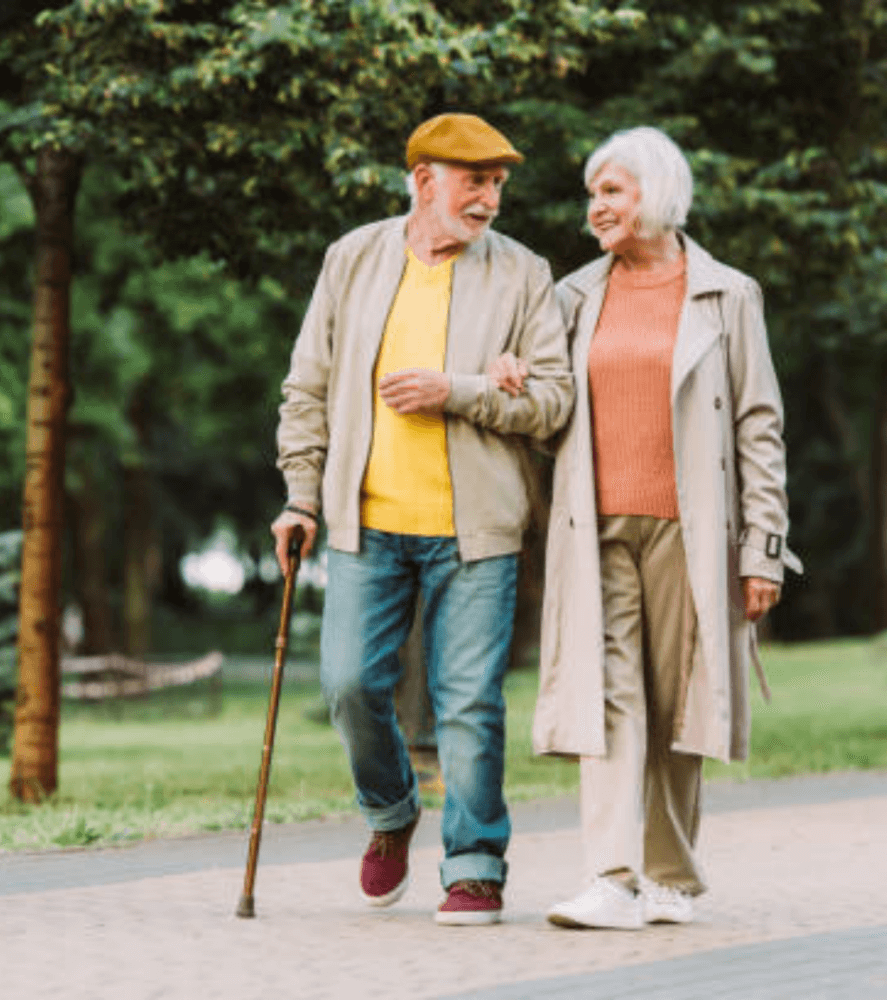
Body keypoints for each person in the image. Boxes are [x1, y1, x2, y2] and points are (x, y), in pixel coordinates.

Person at [492, 126, 801, 930]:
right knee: (609, 698)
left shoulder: (729, 295)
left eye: (612, 192)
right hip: (594, 528)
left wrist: (762, 549)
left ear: (656, 193)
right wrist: (513, 378)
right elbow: (549, 412)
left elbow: (760, 426)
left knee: (678, 704)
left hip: (691, 532)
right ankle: (610, 876)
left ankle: (671, 879)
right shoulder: (572, 296)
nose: (595, 207)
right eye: (591, 194)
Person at [271, 113, 574, 926]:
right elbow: (306, 389)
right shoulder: (353, 259)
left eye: (498, 184)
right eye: (475, 181)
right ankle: (391, 809)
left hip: (476, 532)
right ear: (424, 180)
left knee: (469, 702)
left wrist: (461, 392)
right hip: (365, 527)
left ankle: (475, 865)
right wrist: (301, 495)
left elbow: (554, 403)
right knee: (348, 686)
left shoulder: (523, 274)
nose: (490, 200)